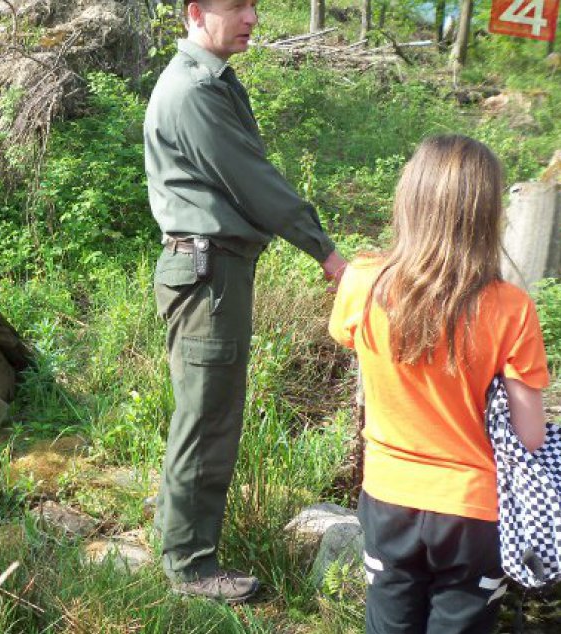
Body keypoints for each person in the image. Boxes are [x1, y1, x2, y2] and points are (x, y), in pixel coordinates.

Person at [143, 0, 347, 603]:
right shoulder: (194, 92)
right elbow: (254, 181)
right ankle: (190, 568)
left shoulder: (211, 81)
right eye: (238, 8)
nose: (253, 19)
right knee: (207, 421)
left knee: (205, 415)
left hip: (212, 269)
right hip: (208, 273)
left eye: (255, 7)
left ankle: (181, 546)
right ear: (196, 12)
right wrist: (326, 253)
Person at [328, 135, 549, 633]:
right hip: (474, 512)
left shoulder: (362, 281)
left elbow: (350, 338)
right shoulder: (512, 307)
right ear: (487, 213)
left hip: (387, 498)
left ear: (410, 198)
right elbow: (530, 436)